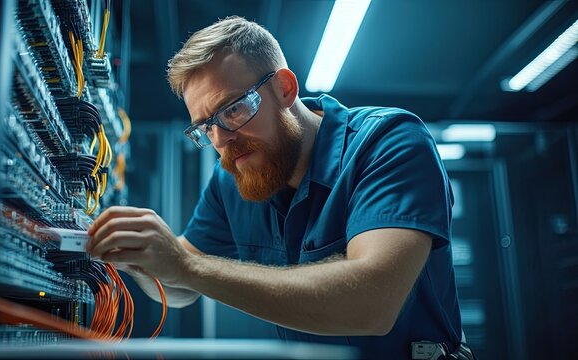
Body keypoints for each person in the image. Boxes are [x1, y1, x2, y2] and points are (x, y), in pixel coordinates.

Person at [87, 16, 473, 359]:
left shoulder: (388, 142)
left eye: (233, 110)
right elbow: (178, 288)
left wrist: (185, 265)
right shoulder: (232, 179)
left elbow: (372, 304)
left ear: (285, 89)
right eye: (205, 127)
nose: (221, 141)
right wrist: (141, 262)